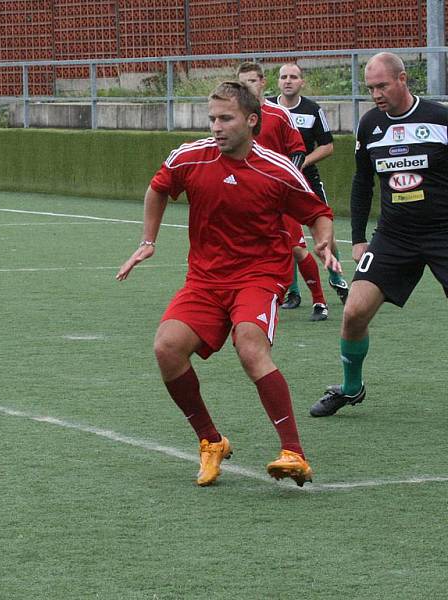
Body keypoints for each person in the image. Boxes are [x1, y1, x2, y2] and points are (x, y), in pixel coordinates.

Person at [116, 81, 340, 487]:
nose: (216, 127)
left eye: (226, 118)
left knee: (250, 344)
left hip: (258, 275)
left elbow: (318, 211)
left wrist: (323, 239)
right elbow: (157, 189)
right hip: (205, 278)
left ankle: (294, 452)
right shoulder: (190, 157)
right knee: (166, 348)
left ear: (251, 121)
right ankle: (210, 441)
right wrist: (148, 241)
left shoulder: (277, 169)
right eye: (212, 119)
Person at [310, 52, 448, 417]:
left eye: (382, 85)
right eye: (370, 87)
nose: (375, 94)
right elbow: (361, 183)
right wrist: (357, 237)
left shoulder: (440, 118)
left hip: (442, 232)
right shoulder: (370, 125)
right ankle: (351, 388)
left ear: (403, 79)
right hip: (394, 236)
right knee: (354, 312)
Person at [237, 61, 331, 322]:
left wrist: (286, 181)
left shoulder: (279, 114)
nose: (248, 87)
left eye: (252, 81)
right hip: (247, 198)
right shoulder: (236, 118)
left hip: (277, 196)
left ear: (262, 82)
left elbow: (298, 150)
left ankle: (320, 301)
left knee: (297, 249)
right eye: (243, 83)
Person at [276, 62, 350, 307]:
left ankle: (337, 278)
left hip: (307, 181)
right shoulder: (268, 109)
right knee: (286, 237)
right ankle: (293, 292)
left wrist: (302, 162)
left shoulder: (312, 110)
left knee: (323, 234)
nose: (288, 80)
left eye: (293, 77)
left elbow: (328, 146)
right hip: (277, 184)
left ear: (301, 82)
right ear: (277, 82)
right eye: (284, 76)